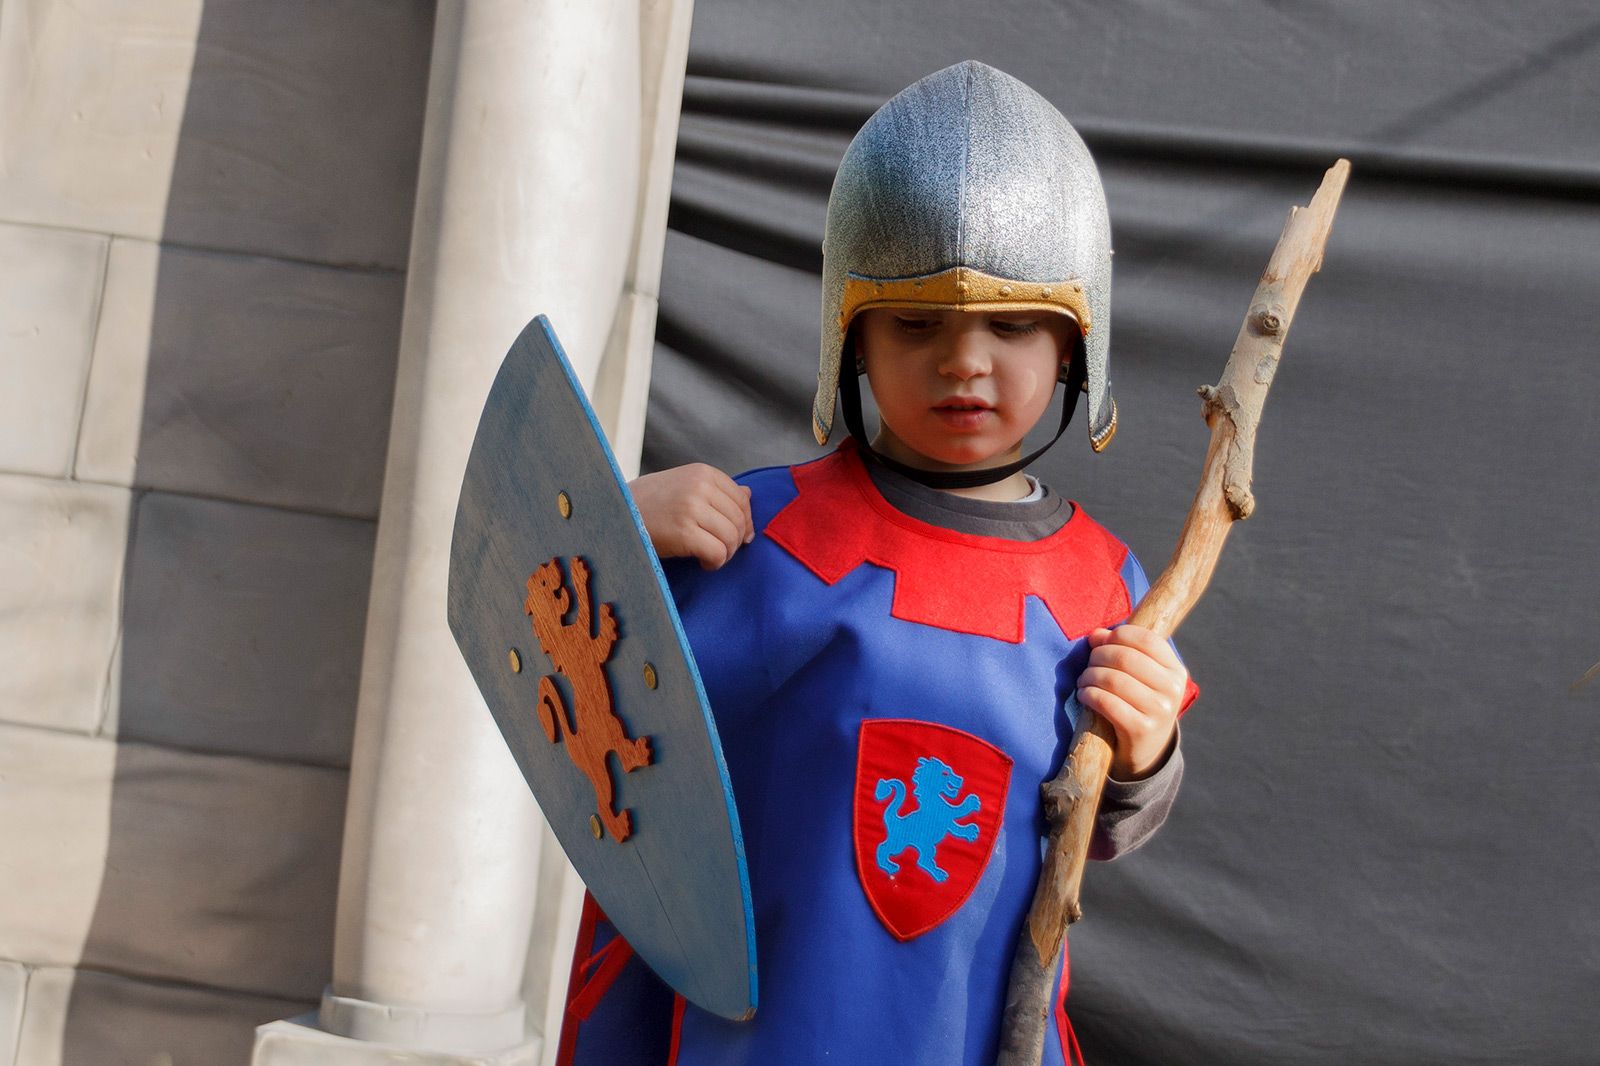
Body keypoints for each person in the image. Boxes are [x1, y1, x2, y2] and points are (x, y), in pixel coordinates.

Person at [557, 60, 1197, 1066]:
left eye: (1012, 322)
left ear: (1076, 343)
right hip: (758, 1030)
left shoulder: (1103, 586)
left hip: (969, 1030)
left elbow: (1095, 832)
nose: (964, 361)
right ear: (852, 337)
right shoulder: (753, 535)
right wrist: (601, 539)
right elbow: (578, 716)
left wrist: (1147, 755)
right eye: (916, 321)